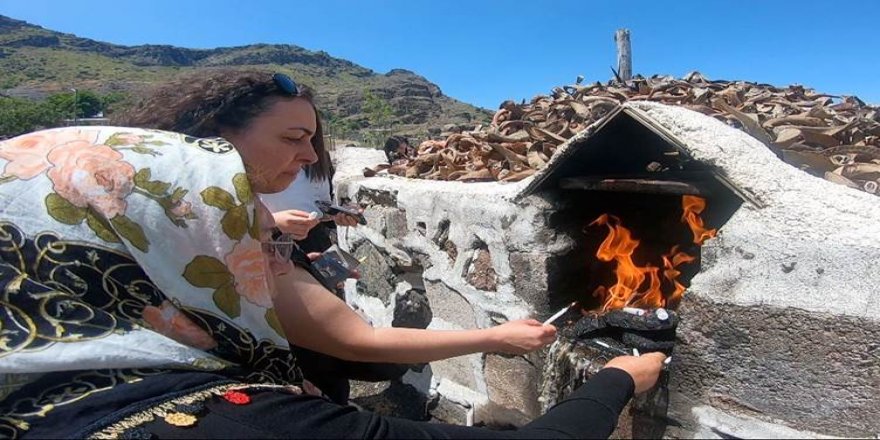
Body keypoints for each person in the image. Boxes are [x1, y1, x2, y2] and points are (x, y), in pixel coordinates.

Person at [0, 70, 666, 438]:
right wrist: (620, 381)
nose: (309, 159)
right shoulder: (244, 422)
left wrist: (492, 334)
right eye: (293, 138)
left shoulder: (35, 390)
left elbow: (349, 335)